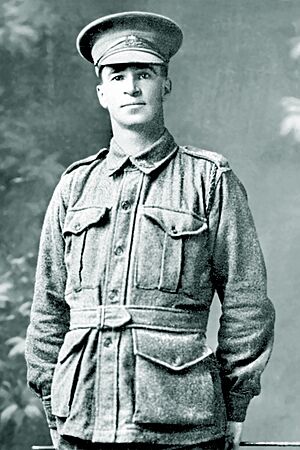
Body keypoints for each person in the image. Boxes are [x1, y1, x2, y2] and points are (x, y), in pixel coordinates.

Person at [25, 11, 275, 450]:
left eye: (145, 73)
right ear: (102, 93)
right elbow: (48, 305)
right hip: (82, 417)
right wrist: (52, 400)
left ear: (166, 85)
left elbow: (247, 300)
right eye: (118, 76)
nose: (132, 86)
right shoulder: (75, 186)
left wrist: (235, 403)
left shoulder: (209, 179)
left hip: (181, 419)